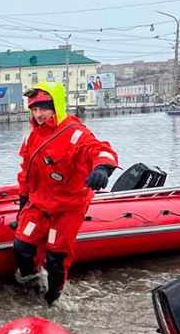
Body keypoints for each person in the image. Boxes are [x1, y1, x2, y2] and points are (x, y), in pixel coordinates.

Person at [14, 81, 119, 306]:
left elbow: (100, 150)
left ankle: (54, 298)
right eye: (35, 109)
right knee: (23, 247)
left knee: (56, 257)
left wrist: (102, 168)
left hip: (68, 205)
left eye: (44, 108)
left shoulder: (74, 133)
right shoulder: (32, 137)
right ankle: (33, 290)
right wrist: (22, 206)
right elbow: (26, 173)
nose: (39, 114)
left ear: (56, 106)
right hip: (39, 202)